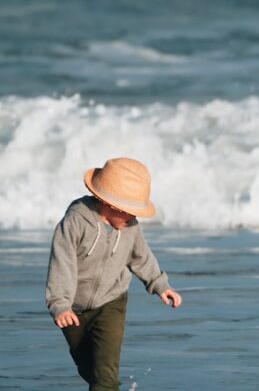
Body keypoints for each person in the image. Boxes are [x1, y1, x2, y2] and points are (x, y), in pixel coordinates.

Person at [46, 157, 182, 391]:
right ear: (110, 204)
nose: (134, 217)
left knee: (106, 374)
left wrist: (161, 284)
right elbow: (62, 263)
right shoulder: (76, 222)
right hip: (72, 310)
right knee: (90, 369)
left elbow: (141, 256)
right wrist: (60, 304)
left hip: (111, 302)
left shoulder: (130, 227)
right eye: (130, 212)